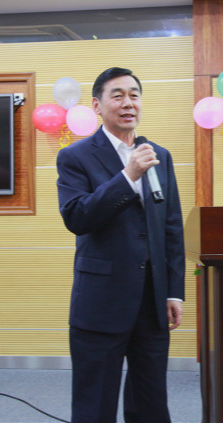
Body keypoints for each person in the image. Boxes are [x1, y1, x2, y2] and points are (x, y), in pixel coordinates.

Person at [56, 67, 185, 423]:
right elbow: (77, 217)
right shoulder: (76, 156)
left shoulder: (158, 155)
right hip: (102, 301)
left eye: (134, 95)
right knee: (94, 406)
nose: (128, 103)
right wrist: (128, 176)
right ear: (97, 106)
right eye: (118, 96)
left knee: (151, 403)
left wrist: (174, 292)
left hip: (152, 302)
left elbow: (171, 227)